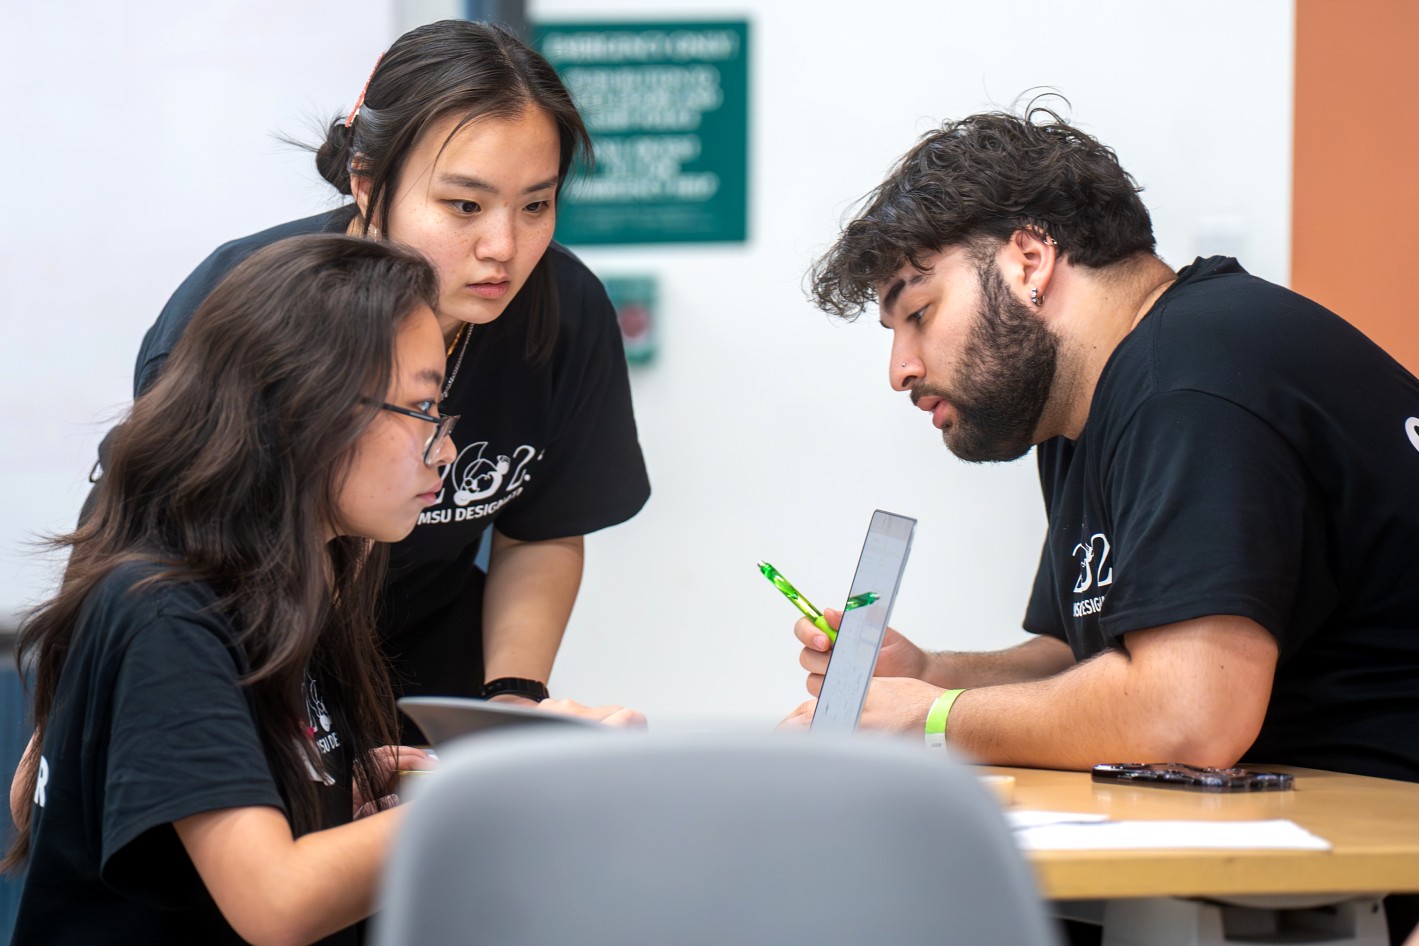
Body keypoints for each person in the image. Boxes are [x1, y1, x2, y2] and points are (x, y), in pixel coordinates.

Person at [5, 235, 642, 945]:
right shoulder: (166, 611)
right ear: (306, 411)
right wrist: (513, 787)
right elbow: (277, 902)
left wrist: (336, 798)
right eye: (423, 409)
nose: (448, 449)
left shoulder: (298, 583)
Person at [785, 105, 1419, 786]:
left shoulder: (1188, 382)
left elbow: (1189, 716)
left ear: (1029, 260)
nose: (899, 370)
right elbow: (1084, 662)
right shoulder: (1086, 407)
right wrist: (933, 677)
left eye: (918, 314)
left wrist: (935, 720)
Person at [116, 19, 650, 716]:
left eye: (536, 205)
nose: (504, 247)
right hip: (243, 665)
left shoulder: (564, 310)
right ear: (367, 183)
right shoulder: (245, 311)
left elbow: (541, 529)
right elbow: (145, 549)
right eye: (464, 205)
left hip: (426, 670)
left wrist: (512, 702)